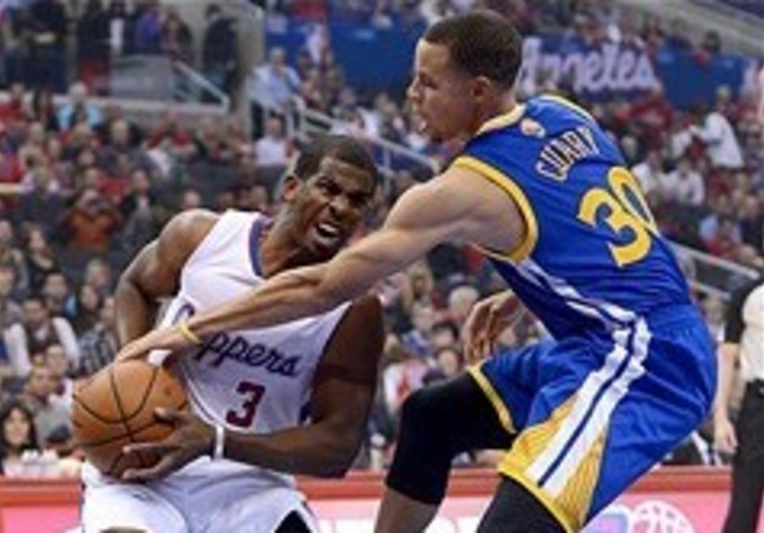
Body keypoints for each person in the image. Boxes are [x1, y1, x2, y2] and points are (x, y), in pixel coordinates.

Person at [118, 11, 716, 533]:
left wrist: (192, 329)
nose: (411, 94)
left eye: (428, 83)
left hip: (644, 363)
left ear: (478, 91)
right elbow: (608, 224)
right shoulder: (562, 115)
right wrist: (523, 296)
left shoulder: (460, 189)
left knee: (518, 524)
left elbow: (324, 285)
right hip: (599, 341)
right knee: (430, 417)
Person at [82, 135, 385, 533]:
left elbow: (337, 447)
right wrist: (132, 378)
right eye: (328, 188)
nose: (341, 207)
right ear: (292, 188)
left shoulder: (354, 310)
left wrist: (216, 440)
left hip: (250, 485)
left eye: (356, 200)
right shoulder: (203, 236)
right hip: (145, 469)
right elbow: (135, 287)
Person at [714, 275, 763, 533]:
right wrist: (720, 416)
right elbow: (726, 355)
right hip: (757, 407)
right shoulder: (747, 294)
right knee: (744, 502)